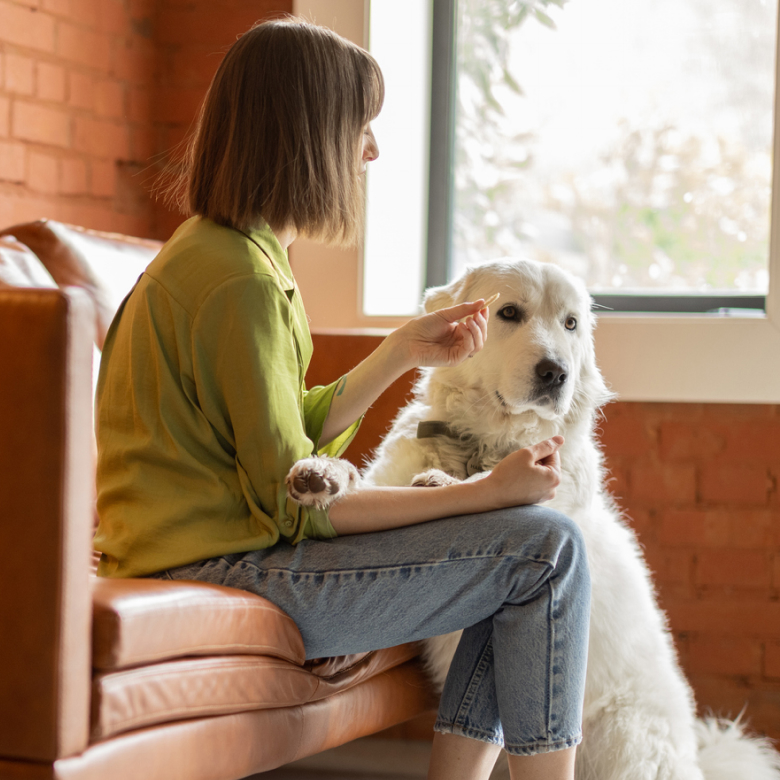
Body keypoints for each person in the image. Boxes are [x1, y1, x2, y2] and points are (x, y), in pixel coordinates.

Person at [93, 18, 590, 780]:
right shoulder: (242, 280)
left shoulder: (236, 252)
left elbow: (288, 447)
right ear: (309, 133)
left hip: (211, 550)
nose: (372, 151)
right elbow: (301, 505)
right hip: (220, 568)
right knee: (547, 548)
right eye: (361, 126)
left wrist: (398, 352)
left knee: (523, 546)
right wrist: (483, 493)